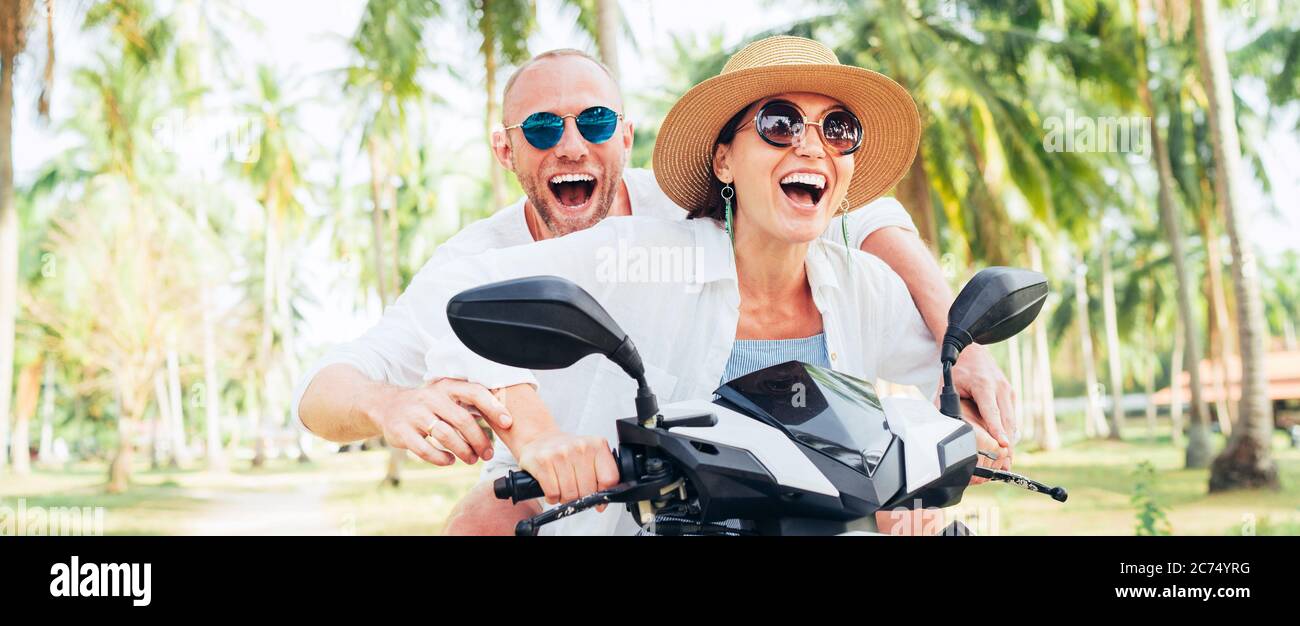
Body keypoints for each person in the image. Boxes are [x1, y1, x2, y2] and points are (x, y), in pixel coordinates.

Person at [294, 43, 1014, 534]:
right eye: (779, 122)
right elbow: (455, 310)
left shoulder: (835, 271)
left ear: (626, 136)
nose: (572, 144)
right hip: (602, 511)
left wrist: (960, 357)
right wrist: (534, 436)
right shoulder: (635, 252)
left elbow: (868, 223)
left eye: (839, 129)